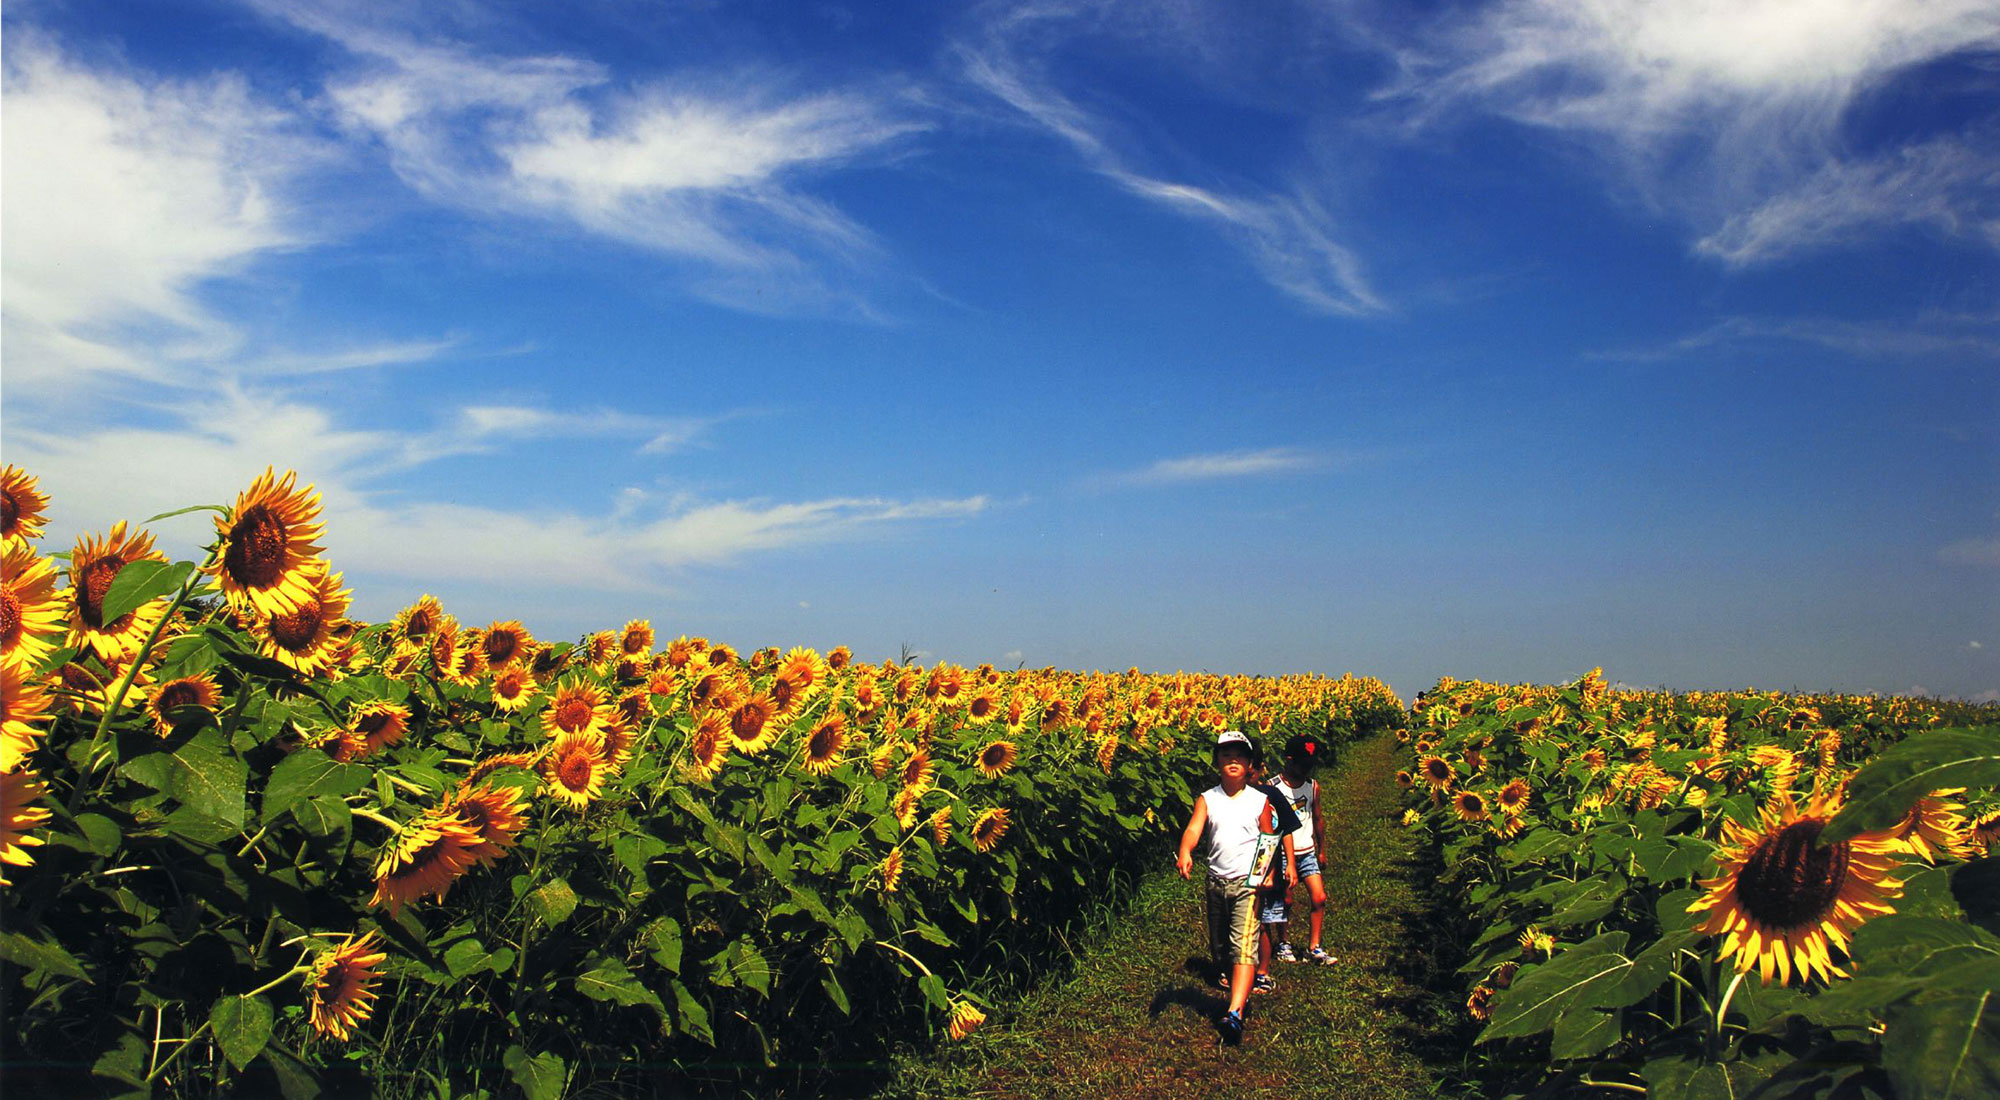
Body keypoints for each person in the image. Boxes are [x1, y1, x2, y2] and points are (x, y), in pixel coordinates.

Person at [1177, 730, 1289, 1045]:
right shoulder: (1208, 798)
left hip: (1247, 885)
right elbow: (1194, 828)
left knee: (1243, 946)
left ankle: (1235, 1012)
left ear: (1250, 763)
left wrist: (1266, 873)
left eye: (1240, 755)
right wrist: (1186, 851)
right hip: (1215, 883)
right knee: (1220, 949)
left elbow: (1268, 839)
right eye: (1227, 755)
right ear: (1217, 763)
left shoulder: (1260, 800)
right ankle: (1234, 989)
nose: (1233, 761)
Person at [1268, 734, 1336, 966]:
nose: (1307, 769)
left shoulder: (1312, 786)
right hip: (1284, 853)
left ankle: (1314, 946)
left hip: (1306, 851)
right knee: (1286, 900)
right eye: (1303, 764)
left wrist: (1322, 849)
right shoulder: (1273, 787)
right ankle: (1283, 942)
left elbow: (1317, 818)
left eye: (1310, 765)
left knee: (1319, 897)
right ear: (1289, 760)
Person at [1248, 756, 1303, 992]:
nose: (1246, 777)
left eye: (1251, 772)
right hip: (1240, 867)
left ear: (1261, 769)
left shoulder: (1271, 795)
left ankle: (1262, 971)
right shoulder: (1232, 797)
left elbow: (1287, 829)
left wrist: (1290, 863)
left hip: (1267, 865)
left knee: (1263, 922)